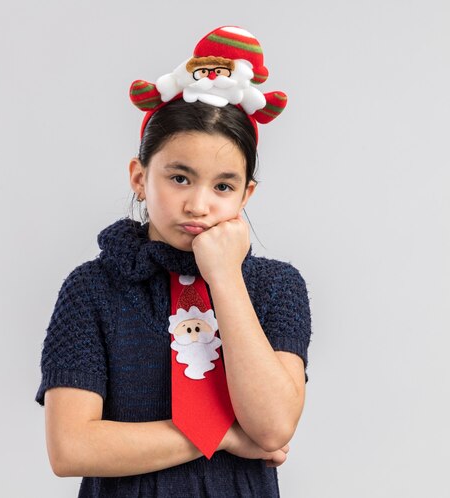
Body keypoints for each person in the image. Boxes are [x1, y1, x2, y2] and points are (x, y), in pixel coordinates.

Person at [35, 26, 312, 497]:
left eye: (223, 186)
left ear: (246, 194)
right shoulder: (92, 288)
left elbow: (271, 428)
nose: (199, 205)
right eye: (180, 178)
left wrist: (224, 275)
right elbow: (71, 447)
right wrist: (219, 434)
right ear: (140, 178)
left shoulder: (274, 287)